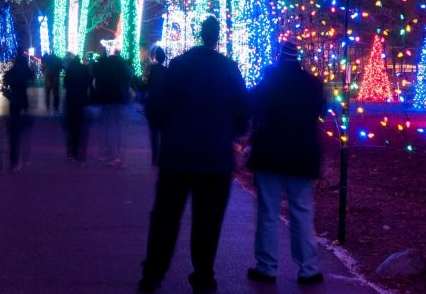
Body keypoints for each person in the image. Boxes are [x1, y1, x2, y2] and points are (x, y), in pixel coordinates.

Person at [139, 16, 249, 294]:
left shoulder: (179, 66)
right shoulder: (228, 68)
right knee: (208, 219)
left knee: (166, 216)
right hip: (215, 157)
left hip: (178, 153)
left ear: (200, 34)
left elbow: (154, 107)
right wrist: (228, 133)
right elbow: (243, 112)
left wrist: (169, 129)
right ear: (217, 36)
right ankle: (202, 276)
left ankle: (153, 273)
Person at [245, 41, 326, 286]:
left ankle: (267, 267)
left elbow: (251, 106)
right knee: (301, 211)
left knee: (268, 212)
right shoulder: (313, 84)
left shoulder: (267, 83)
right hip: (301, 153)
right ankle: (308, 269)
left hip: (269, 153)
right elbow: (319, 111)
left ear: (279, 58)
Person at [92, 49, 131, 167]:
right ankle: (118, 155)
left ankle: (106, 153)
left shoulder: (101, 65)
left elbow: (95, 81)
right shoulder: (120, 63)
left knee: (106, 125)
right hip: (118, 97)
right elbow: (129, 75)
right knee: (118, 126)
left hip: (105, 98)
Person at [3, 51, 34, 171]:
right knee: (24, 133)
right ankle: (25, 158)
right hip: (23, 102)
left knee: (14, 134)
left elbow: (5, 81)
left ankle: (14, 160)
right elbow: (31, 78)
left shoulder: (12, 71)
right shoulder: (25, 71)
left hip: (13, 103)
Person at [63, 53, 92, 164]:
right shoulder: (84, 69)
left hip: (71, 100)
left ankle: (72, 153)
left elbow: (65, 84)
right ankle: (81, 154)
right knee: (81, 128)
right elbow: (89, 82)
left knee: (72, 128)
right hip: (82, 100)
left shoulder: (70, 70)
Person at [142, 46, 168, 166]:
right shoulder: (166, 71)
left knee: (153, 132)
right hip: (163, 104)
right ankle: (162, 156)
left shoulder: (152, 70)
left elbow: (148, 86)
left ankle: (154, 157)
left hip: (153, 103)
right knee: (163, 132)